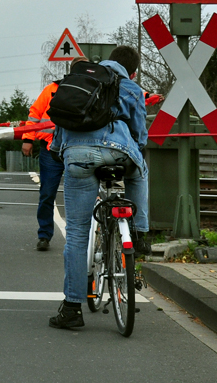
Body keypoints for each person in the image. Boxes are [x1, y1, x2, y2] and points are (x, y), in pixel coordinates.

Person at [48, 45, 151, 330]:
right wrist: (135, 150)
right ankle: (140, 232)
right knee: (140, 170)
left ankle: (71, 309)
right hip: (118, 152)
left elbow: (60, 125)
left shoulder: (77, 81)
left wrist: (62, 152)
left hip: (77, 157)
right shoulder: (129, 86)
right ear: (132, 70)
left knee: (78, 233)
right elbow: (140, 134)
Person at [23, 57, 87, 252]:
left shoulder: (93, 91)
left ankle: (79, 236)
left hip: (76, 149)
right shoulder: (52, 89)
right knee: (47, 194)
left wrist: (147, 96)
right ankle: (44, 235)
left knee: (78, 195)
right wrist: (27, 138)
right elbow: (35, 114)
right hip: (52, 150)